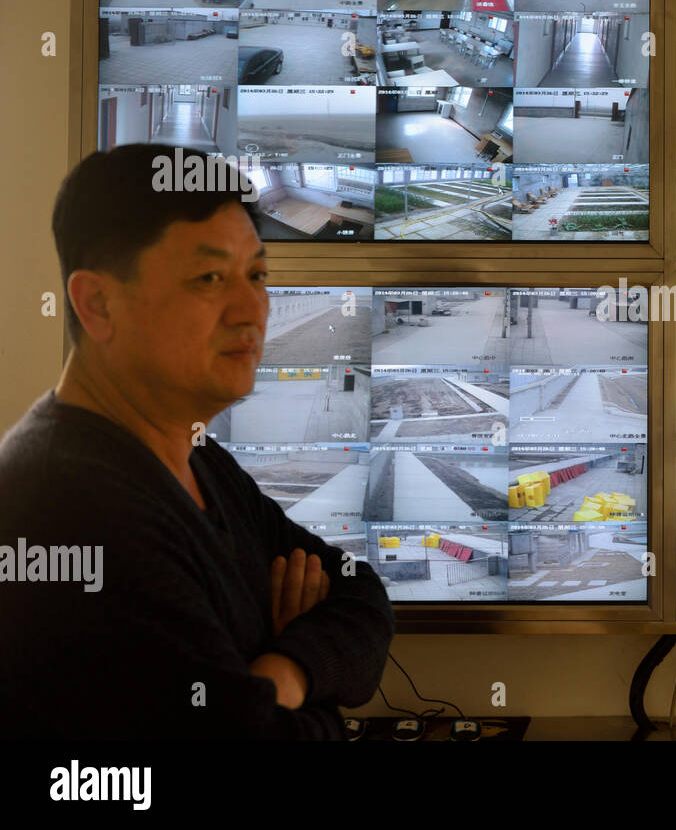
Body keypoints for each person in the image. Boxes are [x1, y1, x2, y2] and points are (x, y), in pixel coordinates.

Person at [0, 144, 395, 739]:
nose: (252, 310)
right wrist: (308, 701)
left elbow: (361, 595)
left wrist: (282, 673)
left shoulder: (200, 461)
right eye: (210, 278)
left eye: (257, 275)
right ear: (97, 303)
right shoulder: (69, 509)